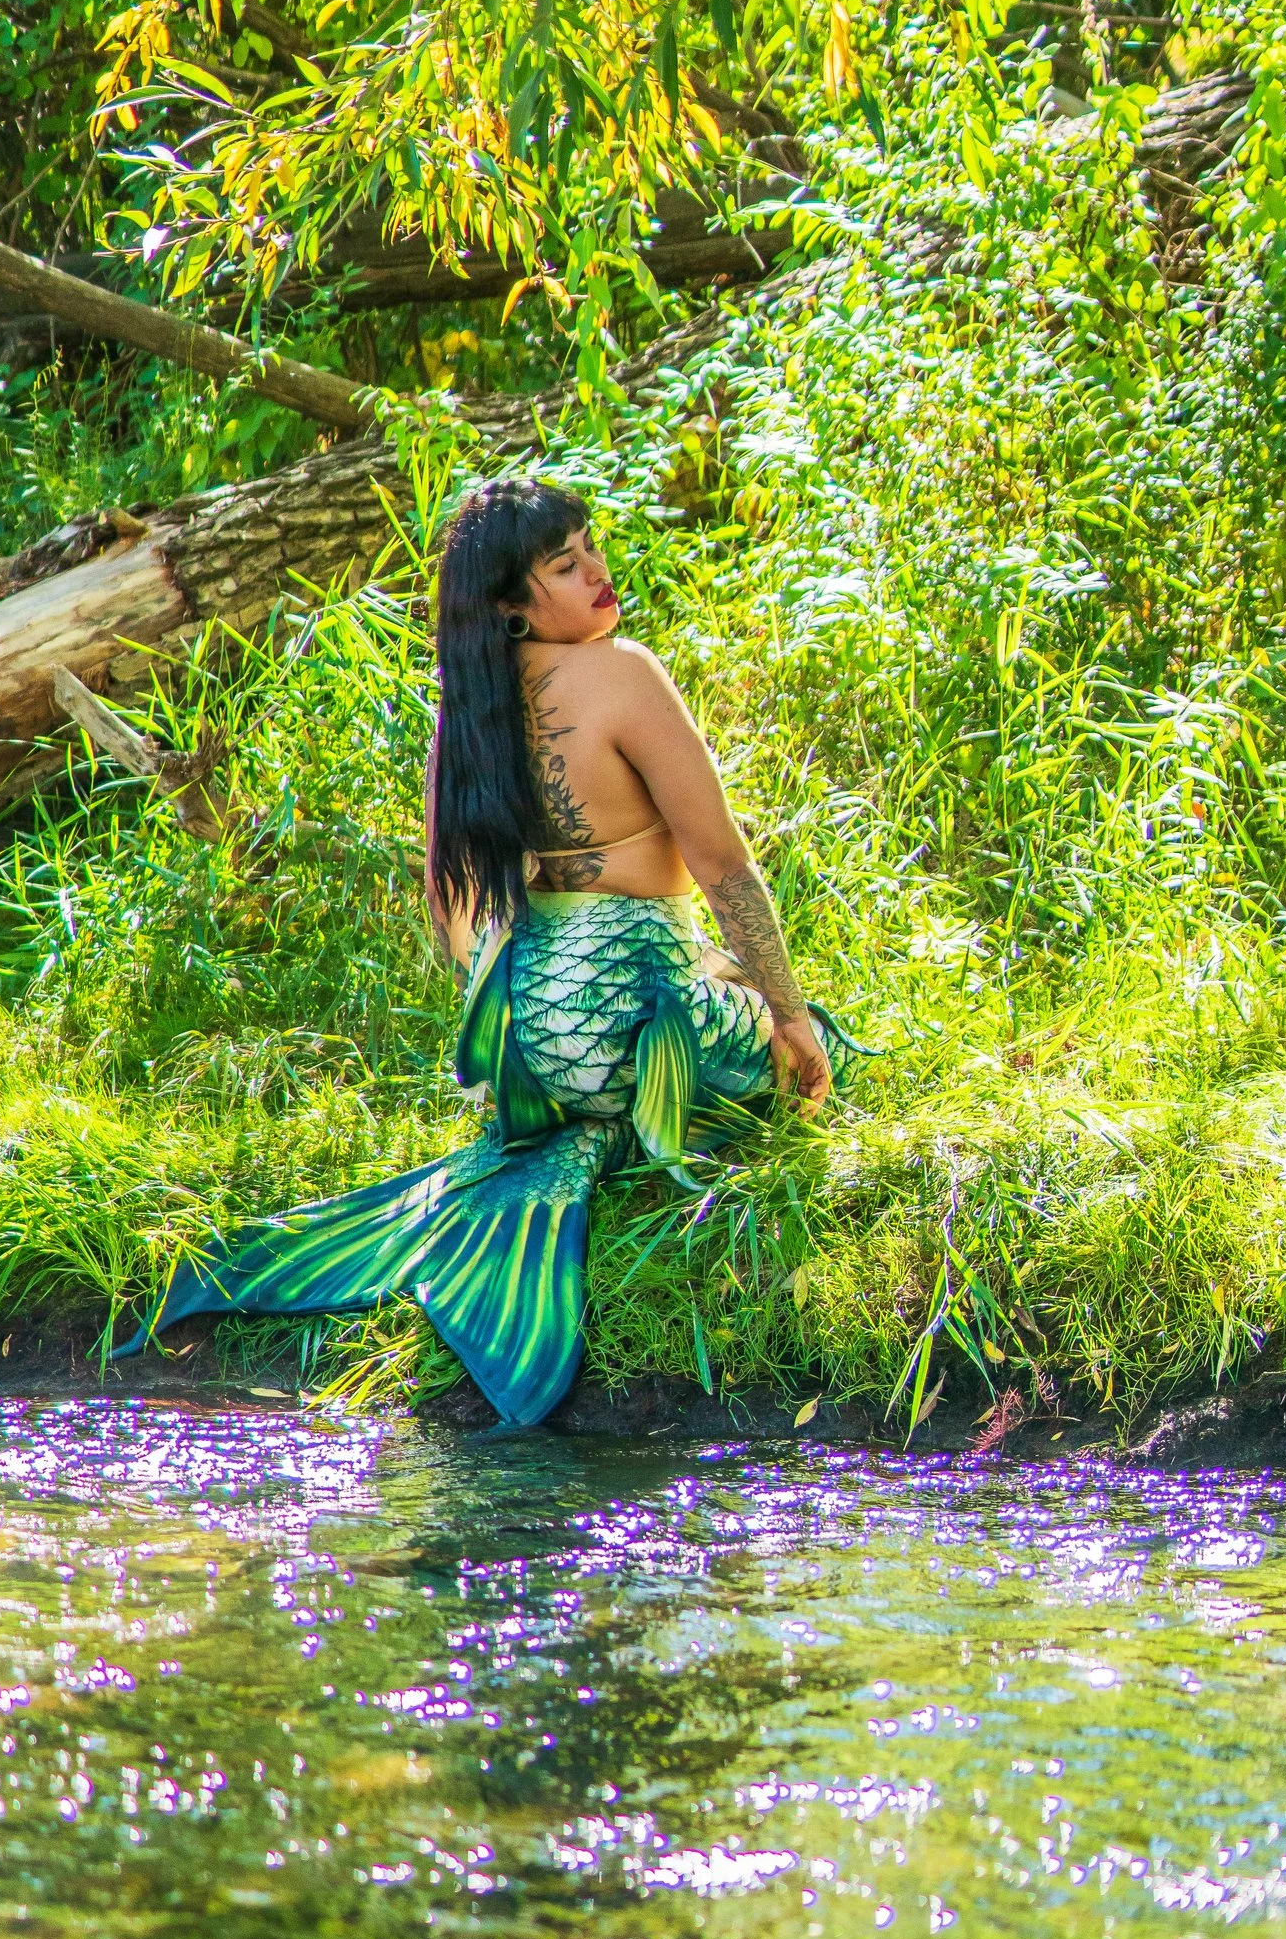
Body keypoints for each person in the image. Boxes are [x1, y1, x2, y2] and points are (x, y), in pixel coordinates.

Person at [122, 477, 851, 1423]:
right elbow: (725, 870)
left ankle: (588, 1119)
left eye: (589, 546)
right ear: (513, 606)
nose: (596, 572)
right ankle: (636, 1117)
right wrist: (792, 1020)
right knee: (800, 1033)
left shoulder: (470, 711)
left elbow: (460, 916)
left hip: (532, 1045)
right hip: (632, 1026)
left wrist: (521, 1042)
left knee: (713, 977)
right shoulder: (625, 673)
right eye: (563, 565)